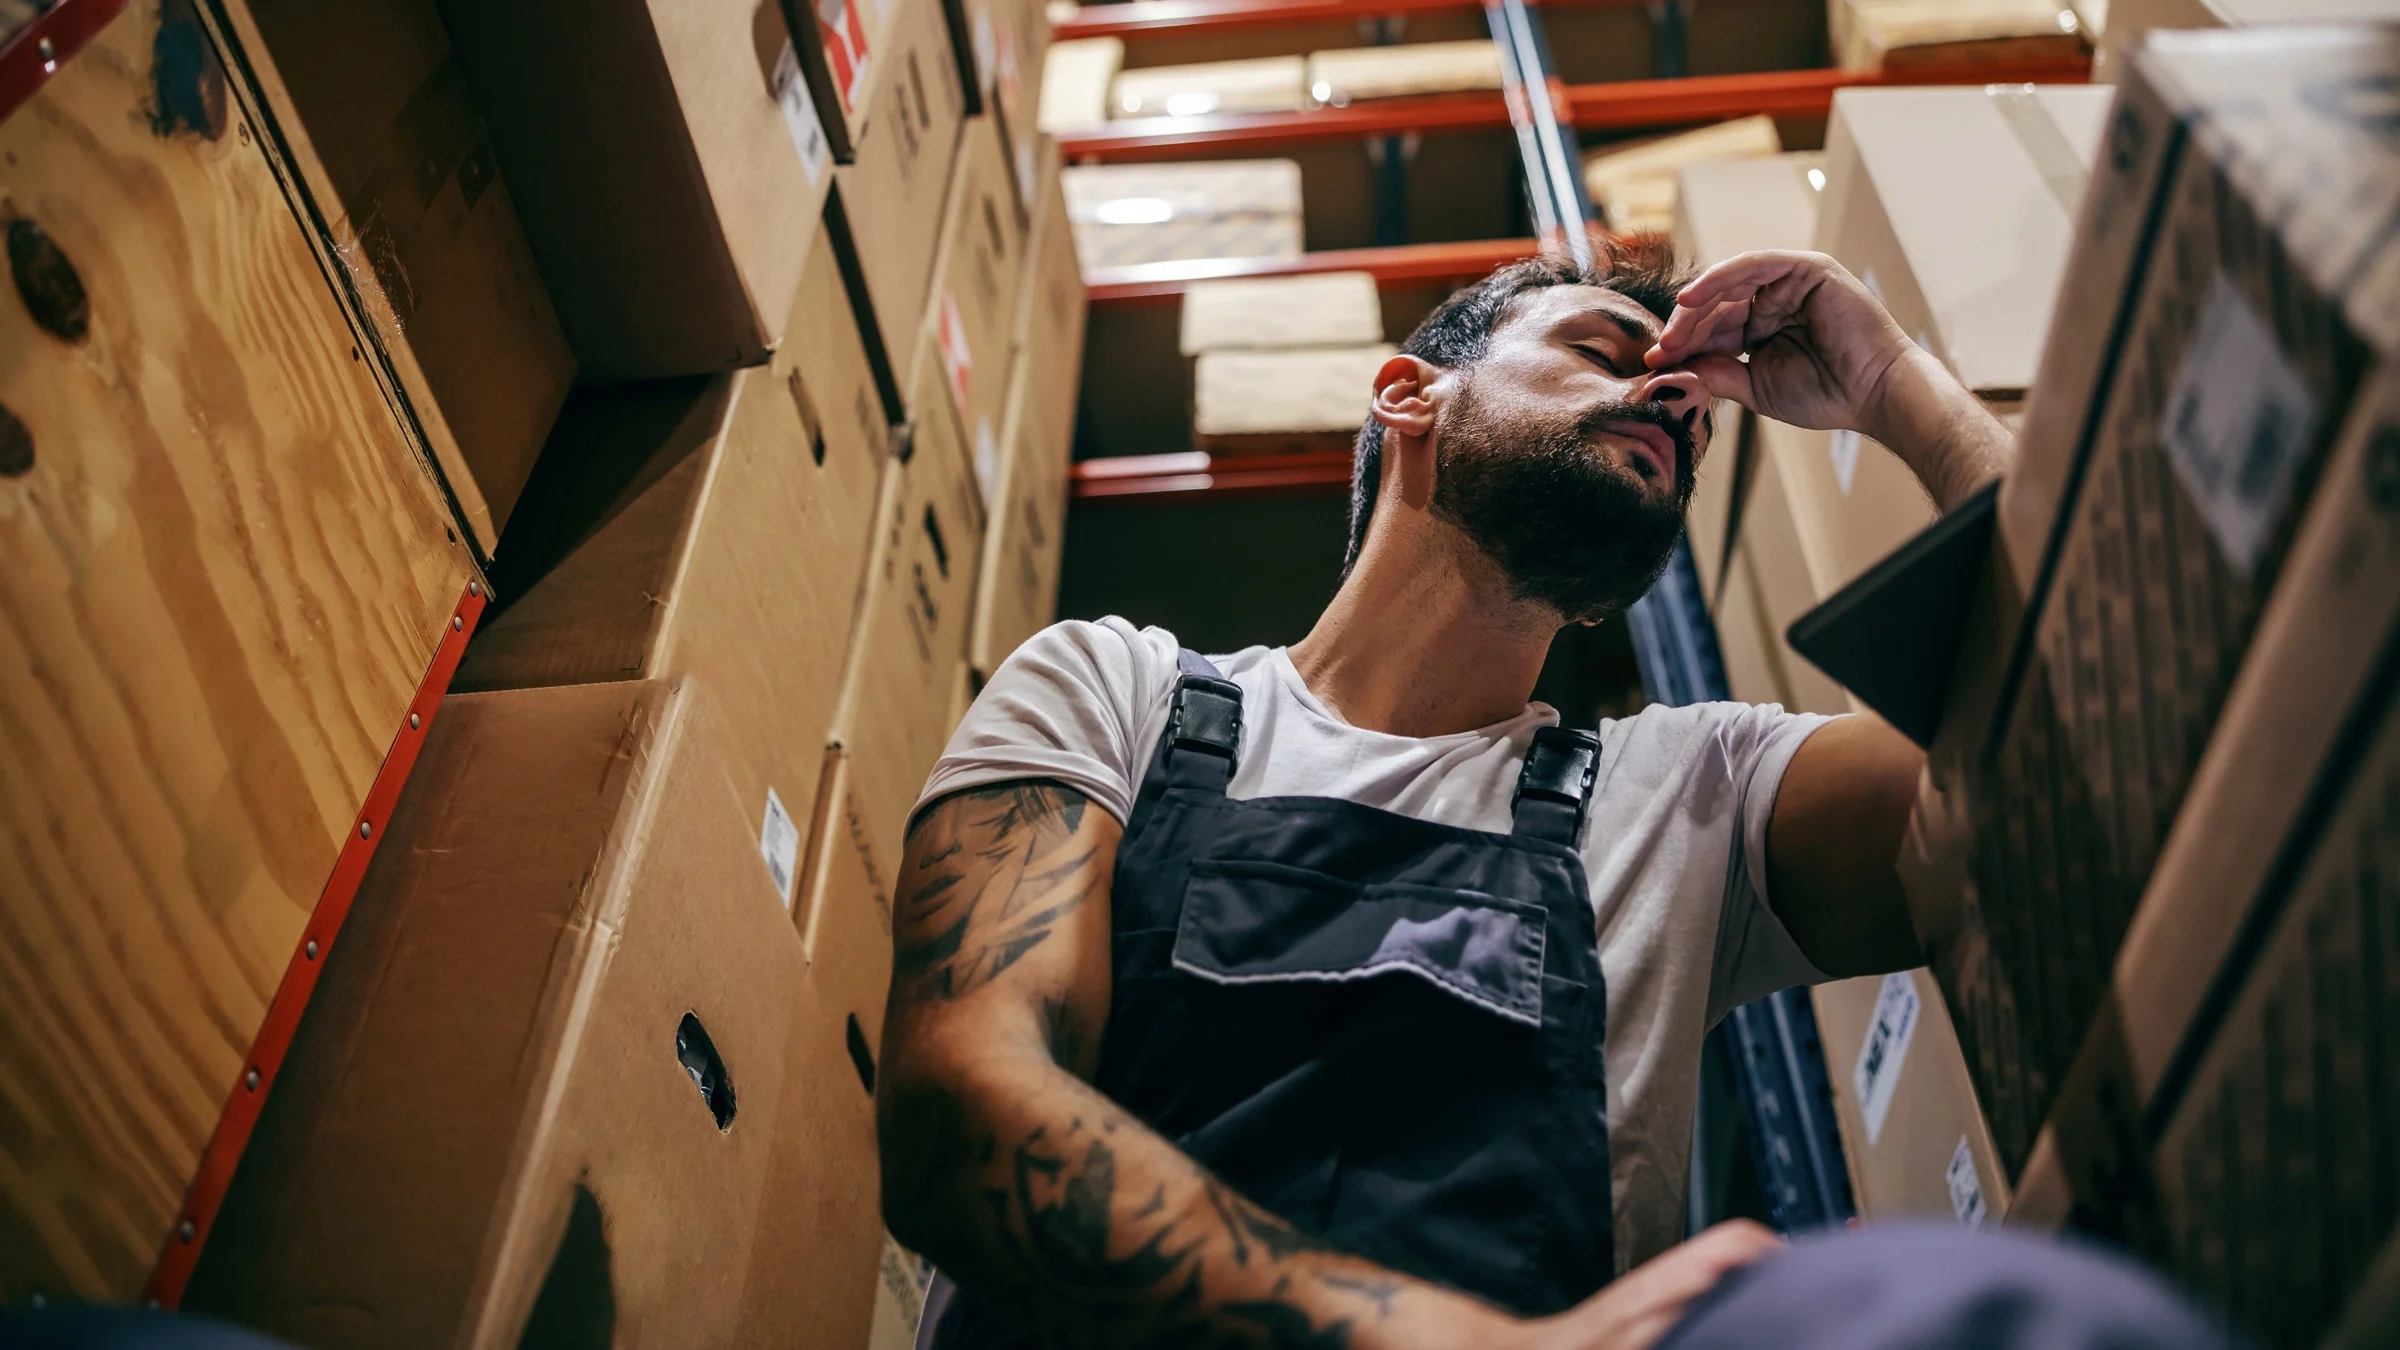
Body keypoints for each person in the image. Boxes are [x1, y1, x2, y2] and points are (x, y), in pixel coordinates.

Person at [873, 244, 2229, 1348]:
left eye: (1692, 428)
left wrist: (1895, 386)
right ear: (1409, 395)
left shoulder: (1693, 793)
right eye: (1603, 352)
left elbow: (2066, 748)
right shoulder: (1120, 693)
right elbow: (960, 1109)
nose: (1674, 405)